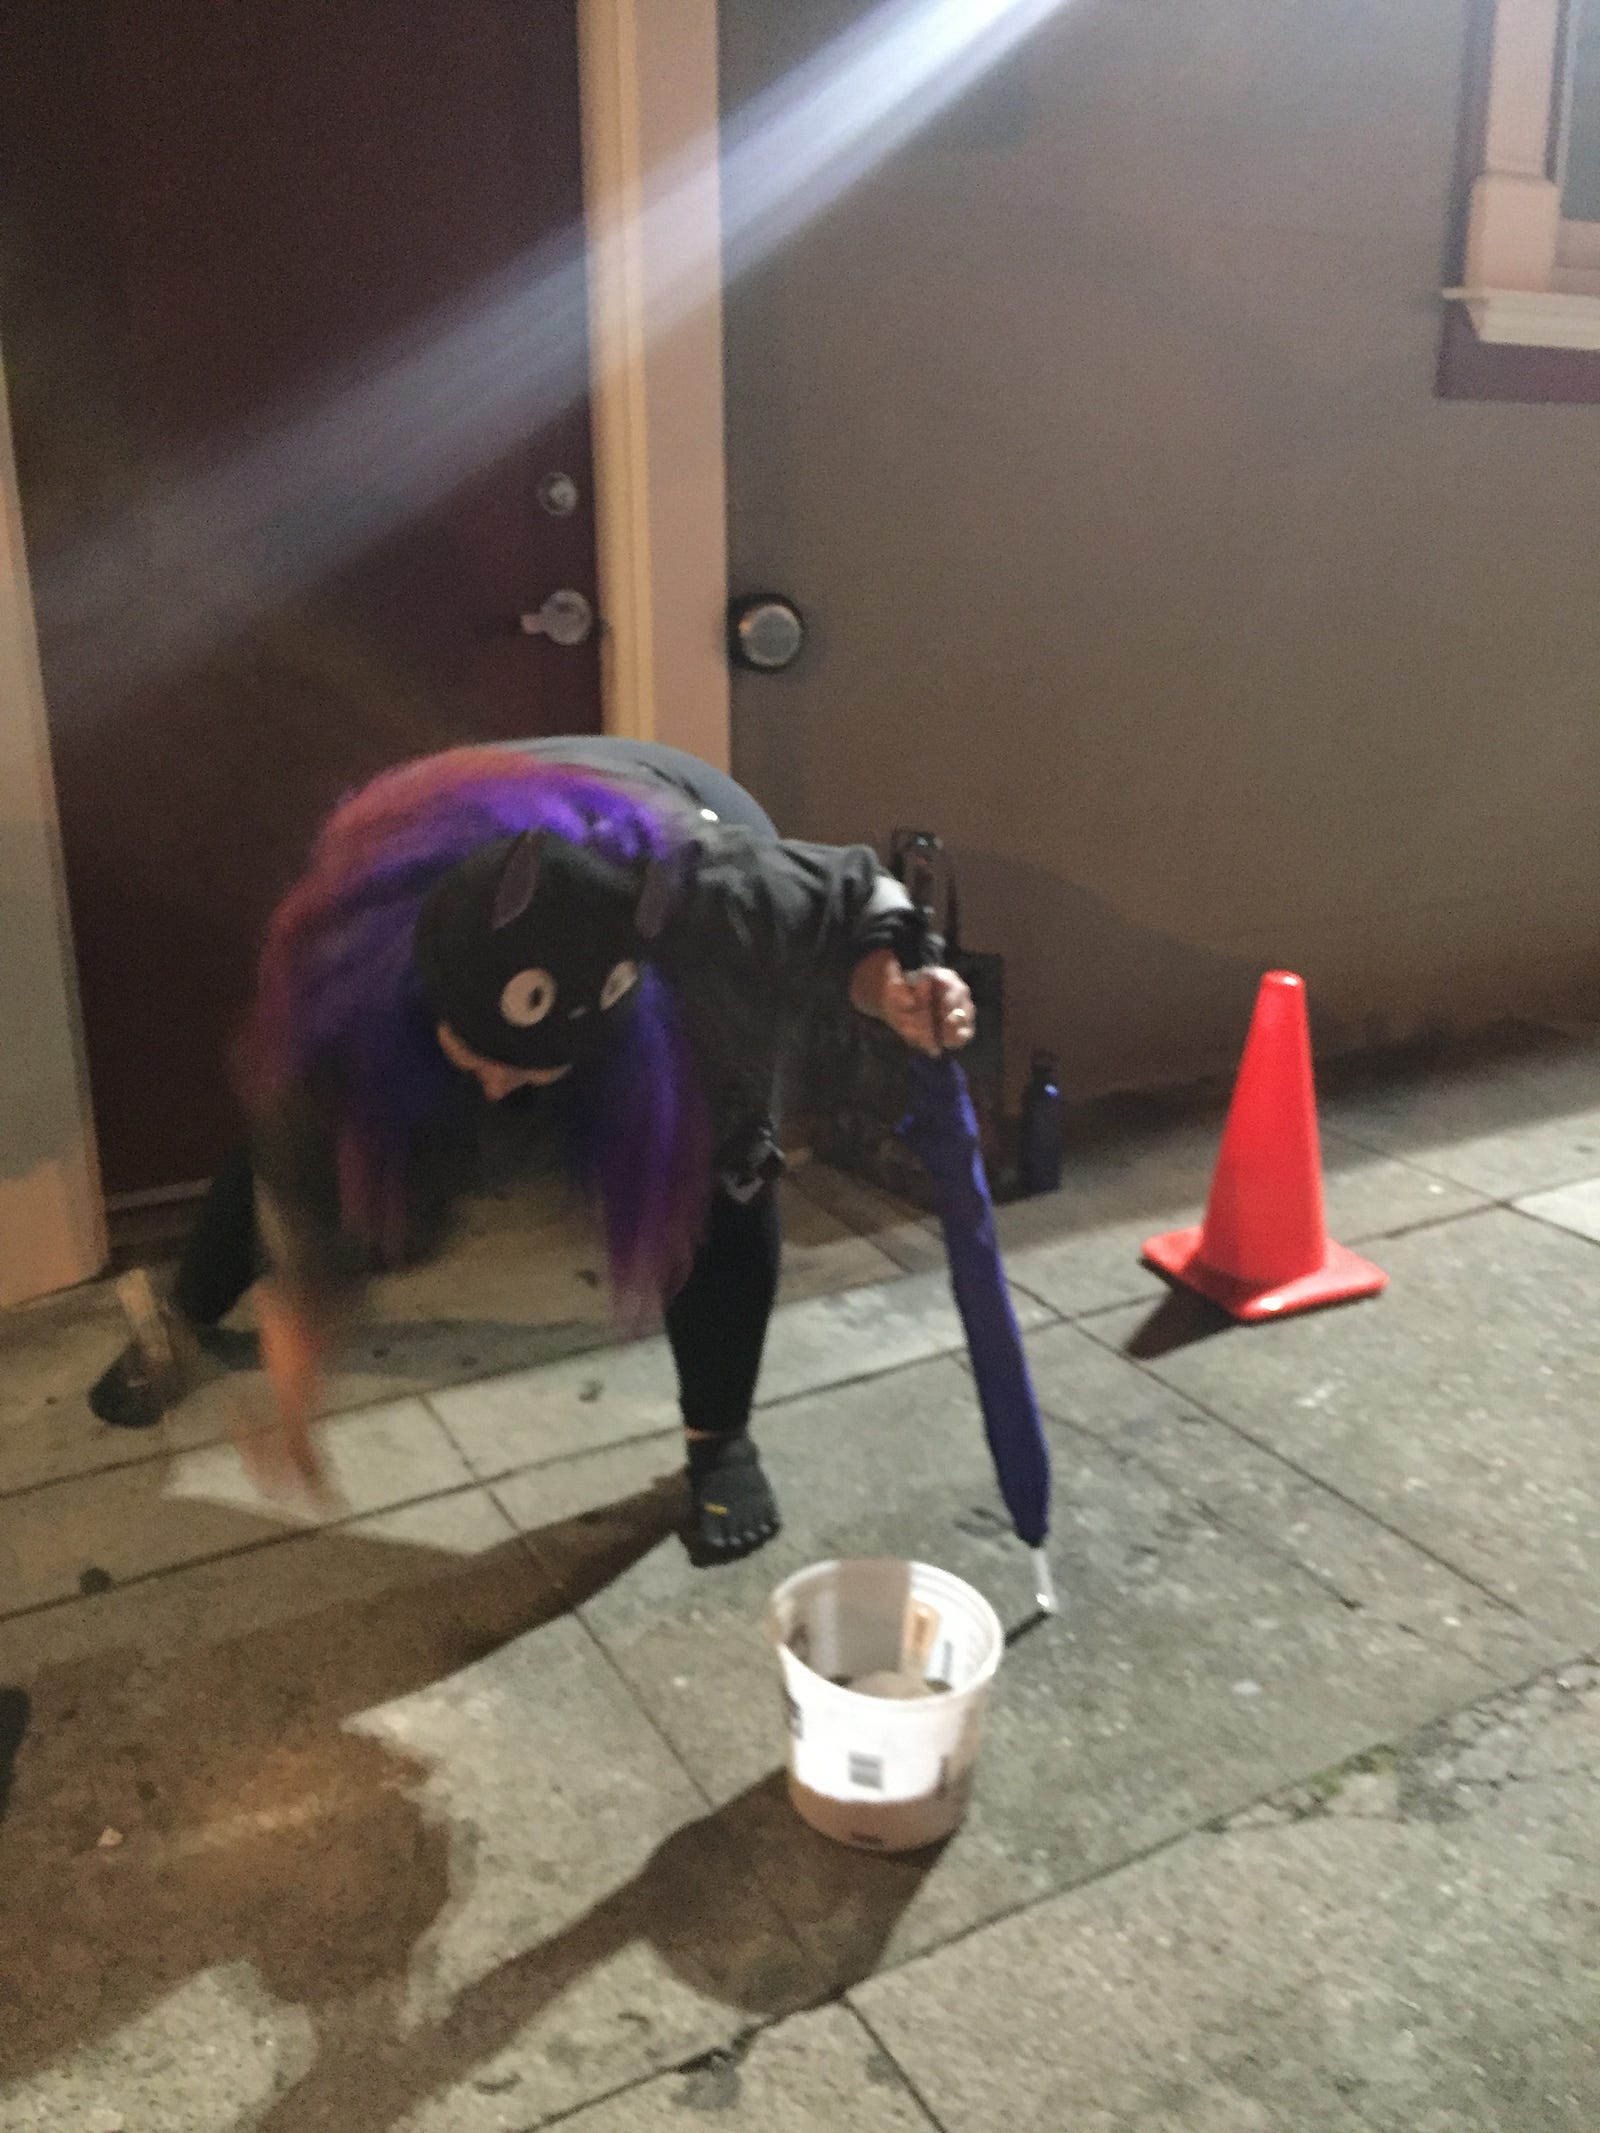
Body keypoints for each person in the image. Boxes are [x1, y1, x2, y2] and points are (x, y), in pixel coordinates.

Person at [90, 736, 976, 1561]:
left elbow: (858, 899)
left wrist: (904, 988)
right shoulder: (361, 965)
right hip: (495, 844)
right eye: (483, 1057)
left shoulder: (717, 901)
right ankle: (187, 1313)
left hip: (677, 860)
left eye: (529, 1071)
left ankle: (720, 1439)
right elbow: (304, 1192)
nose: (499, 1091)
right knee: (325, 1132)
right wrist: (295, 1382)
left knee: (723, 1169)